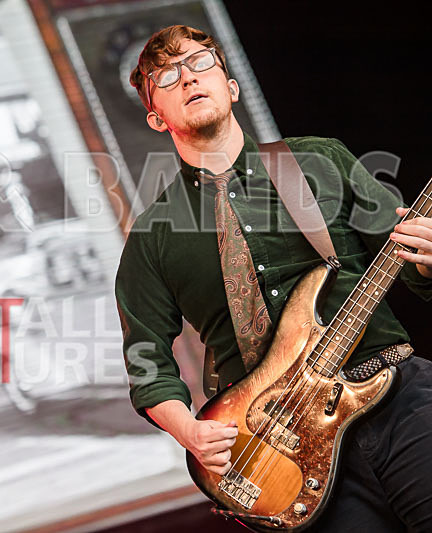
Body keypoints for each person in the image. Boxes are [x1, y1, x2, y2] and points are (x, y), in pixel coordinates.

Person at [114, 25, 432, 530]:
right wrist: (188, 431)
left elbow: (416, 272)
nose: (188, 78)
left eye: (200, 63)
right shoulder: (152, 237)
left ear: (231, 86)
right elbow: (146, 360)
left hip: (399, 404)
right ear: (156, 118)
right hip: (284, 454)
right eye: (167, 77)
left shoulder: (319, 160)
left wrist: (428, 258)